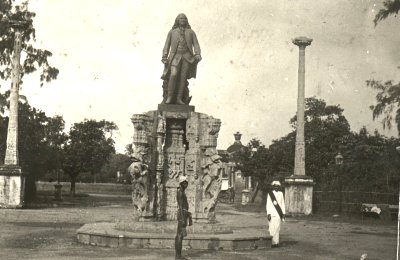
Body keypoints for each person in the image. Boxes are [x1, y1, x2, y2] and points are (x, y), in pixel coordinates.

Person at [161, 13, 201, 105]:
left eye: (185, 18)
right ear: (177, 20)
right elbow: (166, 45)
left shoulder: (191, 32)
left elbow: (196, 44)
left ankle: (179, 99)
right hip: (175, 57)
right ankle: (169, 98)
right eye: (181, 18)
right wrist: (164, 56)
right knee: (173, 74)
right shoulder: (172, 32)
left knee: (183, 77)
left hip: (187, 57)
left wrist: (197, 54)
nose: (183, 19)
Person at [175, 175, 192, 259]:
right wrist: (182, 218)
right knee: (180, 235)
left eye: (186, 183)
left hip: (183, 214)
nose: (186, 184)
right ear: (181, 183)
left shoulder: (181, 191)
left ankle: (178, 255)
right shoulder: (180, 192)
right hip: (182, 214)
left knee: (179, 235)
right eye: (184, 183)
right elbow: (180, 206)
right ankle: (178, 256)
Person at [266, 180, 285, 248]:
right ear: (273, 187)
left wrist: (283, 213)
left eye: (277, 186)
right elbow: (268, 204)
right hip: (271, 213)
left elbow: (282, 204)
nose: (276, 187)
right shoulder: (270, 194)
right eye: (275, 186)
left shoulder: (281, 193)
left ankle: (276, 243)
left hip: (278, 214)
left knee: (277, 228)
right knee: (271, 228)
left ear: (279, 187)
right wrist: (268, 213)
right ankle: (272, 242)